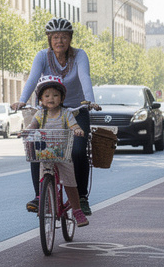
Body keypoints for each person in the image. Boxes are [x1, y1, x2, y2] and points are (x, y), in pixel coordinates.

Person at [12, 18, 99, 215]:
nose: (60, 41)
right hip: (47, 109)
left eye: (64, 37)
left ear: (70, 39)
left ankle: (82, 197)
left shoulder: (79, 55)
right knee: (36, 149)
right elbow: (33, 78)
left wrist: (90, 101)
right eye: (55, 37)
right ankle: (39, 196)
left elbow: (85, 76)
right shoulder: (42, 56)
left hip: (76, 109)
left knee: (77, 150)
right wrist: (22, 100)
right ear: (50, 40)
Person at [25, 75, 88, 227]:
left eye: (55, 95)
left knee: (69, 183)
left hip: (62, 153)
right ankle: (44, 201)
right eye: (46, 95)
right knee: (43, 180)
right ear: (41, 99)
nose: (51, 98)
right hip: (45, 153)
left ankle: (77, 210)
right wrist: (25, 131)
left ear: (62, 98)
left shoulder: (66, 114)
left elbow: (74, 126)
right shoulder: (40, 114)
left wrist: (78, 130)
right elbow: (33, 125)